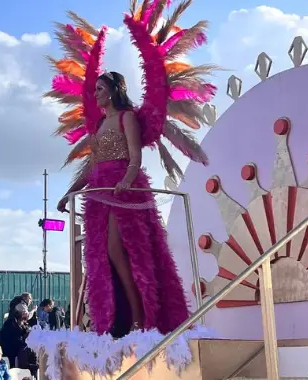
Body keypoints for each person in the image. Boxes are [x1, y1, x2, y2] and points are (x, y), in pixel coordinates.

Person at [51, 1, 217, 337]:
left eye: (100, 88)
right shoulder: (98, 127)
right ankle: (119, 319)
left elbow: (135, 158)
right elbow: (91, 166)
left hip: (122, 191)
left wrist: (125, 182)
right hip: (99, 193)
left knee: (118, 250)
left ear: (113, 90)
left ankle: (142, 315)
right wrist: (69, 193)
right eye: (94, 88)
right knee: (99, 260)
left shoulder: (127, 118)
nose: (95, 93)